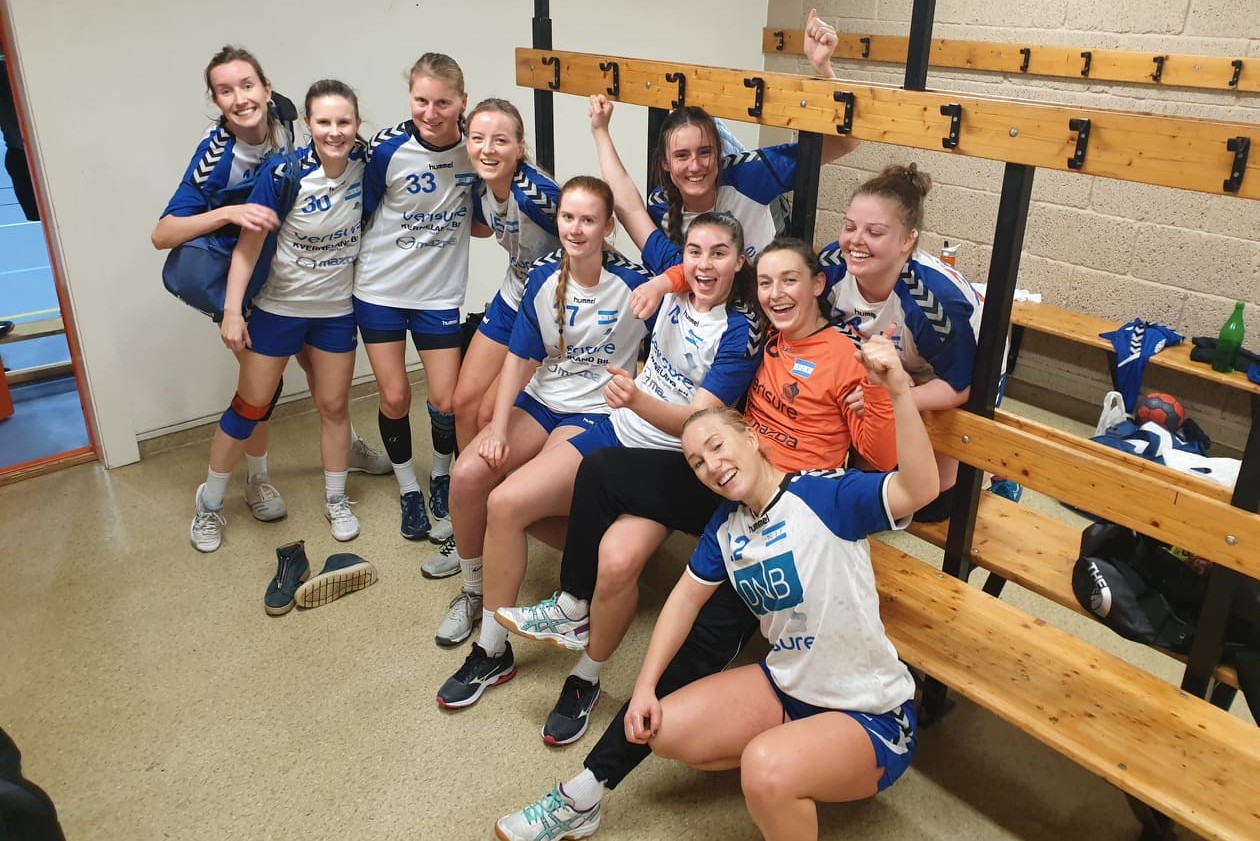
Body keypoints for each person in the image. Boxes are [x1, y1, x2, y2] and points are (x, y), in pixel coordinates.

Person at [497, 238, 898, 747]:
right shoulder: (767, 332)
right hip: (727, 479)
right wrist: (664, 282)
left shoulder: (846, 354)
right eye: (767, 283)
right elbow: (699, 264)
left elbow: (881, 460)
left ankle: (610, 737)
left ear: (818, 285)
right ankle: (575, 606)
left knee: (698, 639)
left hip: (786, 510)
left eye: (790, 281)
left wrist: (882, 390)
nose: (775, 293)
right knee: (598, 470)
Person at [435, 211, 761, 711]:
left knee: (616, 561)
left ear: (739, 261)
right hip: (616, 433)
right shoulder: (672, 285)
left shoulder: (738, 330)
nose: (704, 264)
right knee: (505, 503)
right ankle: (492, 650)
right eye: (695, 252)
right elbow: (630, 210)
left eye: (720, 253)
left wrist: (636, 399)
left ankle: (586, 677)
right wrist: (663, 281)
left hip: (670, 462)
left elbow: (696, 426)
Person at [626, 353, 935, 839]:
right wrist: (644, 687)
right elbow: (684, 600)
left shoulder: (823, 494)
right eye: (698, 463)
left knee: (764, 767)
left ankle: (789, 767)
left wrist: (898, 390)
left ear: (751, 438)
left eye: (717, 446)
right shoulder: (726, 528)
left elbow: (921, 488)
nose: (712, 466)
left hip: (871, 712)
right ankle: (798, 754)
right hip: (788, 686)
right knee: (665, 730)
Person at [153, 47, 389, 542]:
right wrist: (232, 302)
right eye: (226, 91)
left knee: (331, 397)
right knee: (258, 399)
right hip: (249, 282)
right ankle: (232, 491)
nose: (240, 98)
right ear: (216, 100)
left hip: (327, 302)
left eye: (247, 85)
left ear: (267, 88)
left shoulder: (294, 124)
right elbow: (165, 234)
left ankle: (340, 467)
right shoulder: (219, 157)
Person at [432, 175, 652, 650]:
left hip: (593, 413)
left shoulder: (636, 283)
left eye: (589, 220)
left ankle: (596, 570)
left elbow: (676, 332)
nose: (575, 228)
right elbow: (518, 358)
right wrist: (496, 427)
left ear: (608, 227)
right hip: (540, 400)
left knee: (513, 500)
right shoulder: (542, 275)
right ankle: (473, 590)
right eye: (568, 217)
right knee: (467, 475)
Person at [188, 79, 367, 554]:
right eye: (324, 122)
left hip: (335, 312)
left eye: (344, 122)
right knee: (250, 407)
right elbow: (248, 249)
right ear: (308, 124)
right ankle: (209, 504)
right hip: (278, 309)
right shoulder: (285, 172)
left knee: (334, 407)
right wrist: (232, 312)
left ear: (357, 124)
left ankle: (336, 499)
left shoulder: (366, 164)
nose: (334, 131)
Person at [589, 8, 854, 282]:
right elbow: (628, 207)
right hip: (706, 301)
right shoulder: (662, 205)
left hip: (764, 297)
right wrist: (600, 131)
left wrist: (823, 70)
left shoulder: (750, 175)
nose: (695, 166)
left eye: (704, 152)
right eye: (682, 155)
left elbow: (844, 144)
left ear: (719, 153)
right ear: (665, 163)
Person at [354, 53, 487, 545]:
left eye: (443, 103)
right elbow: (360, 213)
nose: (431, 113)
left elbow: (483, 224)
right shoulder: (387, 148)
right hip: (380, 290)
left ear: (462, 102)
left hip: (438, 295)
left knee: (445, 401)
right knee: (394, 396)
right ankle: (408, 487)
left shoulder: (476, 149)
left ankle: (441, 477)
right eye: (421, 101)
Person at [426, 98, 561, 579]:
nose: (487, 148)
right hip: (512, 293)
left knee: (489, 414)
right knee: (461, 403)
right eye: (478, 138)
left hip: (545, 306)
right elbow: (483, 229)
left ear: (520, 148)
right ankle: (472, 507)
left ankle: (487, 521)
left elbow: (590, 242)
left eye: (500, 140)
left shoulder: (538, 194)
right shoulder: (480, 186)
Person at [822, 163, 986, 520]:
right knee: (872, 487)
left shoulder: (934, 303)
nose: (855, 240)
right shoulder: (831, 266)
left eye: (874, 232)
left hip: (950, 372)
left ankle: (995, 478)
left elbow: (961, 385)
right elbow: (820, 330)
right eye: (849, 227)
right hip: (887, 364)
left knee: (931, 506)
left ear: (908, 240)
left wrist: (895, 397)